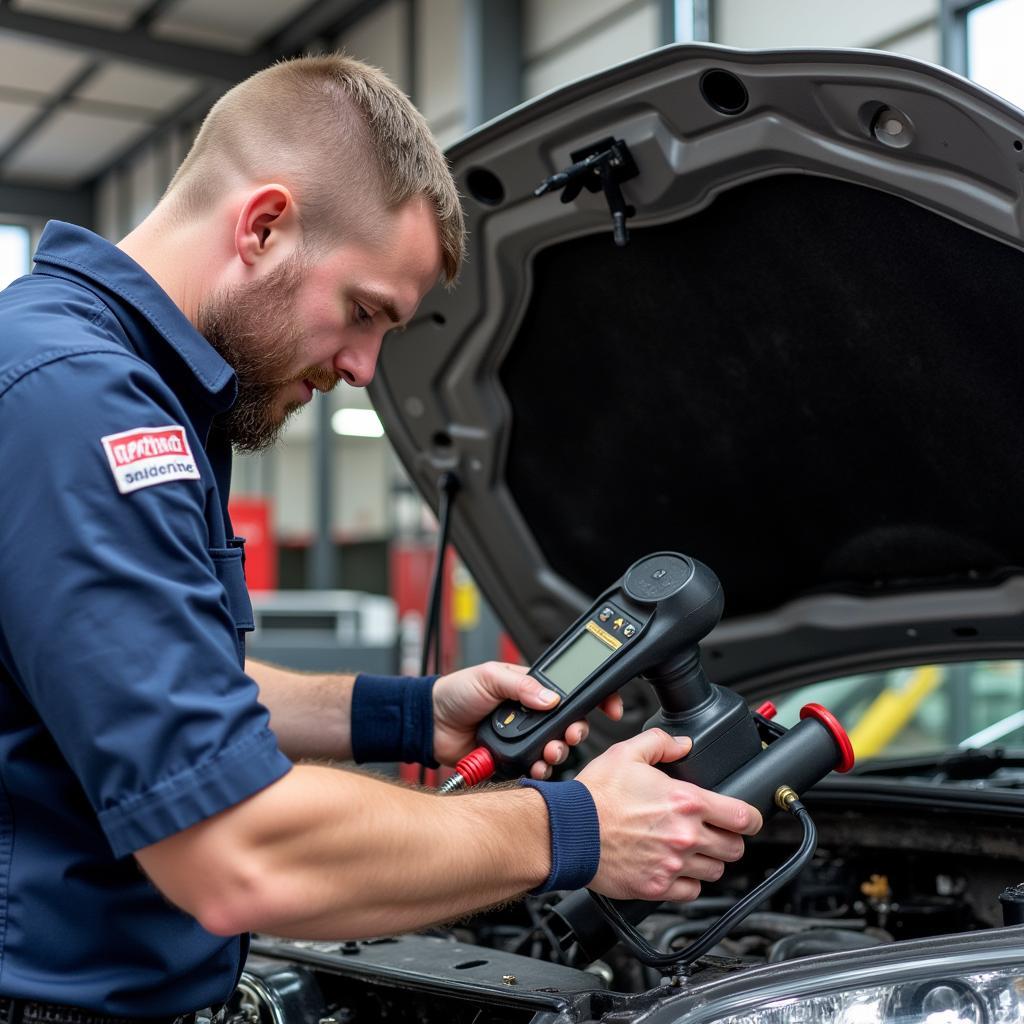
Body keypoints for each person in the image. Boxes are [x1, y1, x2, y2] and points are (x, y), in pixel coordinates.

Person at [0, 55, 761, 1020]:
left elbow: (156, 677)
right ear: (263, 224)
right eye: (364, 312)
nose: (364, 368)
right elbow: (237, 854)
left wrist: (410, 713)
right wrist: (578, 826)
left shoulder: (93, 379)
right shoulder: (80, 405)